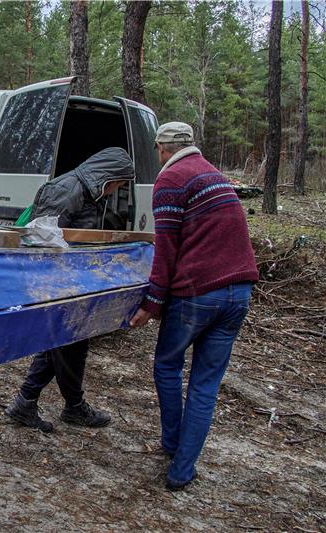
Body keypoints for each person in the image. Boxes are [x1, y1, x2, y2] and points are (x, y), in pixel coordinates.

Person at [130, 122, 258, 491]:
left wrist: (152, 303)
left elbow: (166, 249)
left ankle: (171, 443)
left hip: (198, 294)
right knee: (205, 384)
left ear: (162, 149)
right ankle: (182, 470)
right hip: (239, 293)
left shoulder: (172, 179)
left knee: (167, 366)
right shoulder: (214, 174)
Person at [5, 147, 135, 432]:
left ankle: (27, 402)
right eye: (118, 183)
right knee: (70, 341)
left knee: (65, 341)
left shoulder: (88, 191)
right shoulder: (67, 189)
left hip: (73, 281)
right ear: (107, 176)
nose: (115, 190)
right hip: (58, 282)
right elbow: (41, 238)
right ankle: (70, 407)